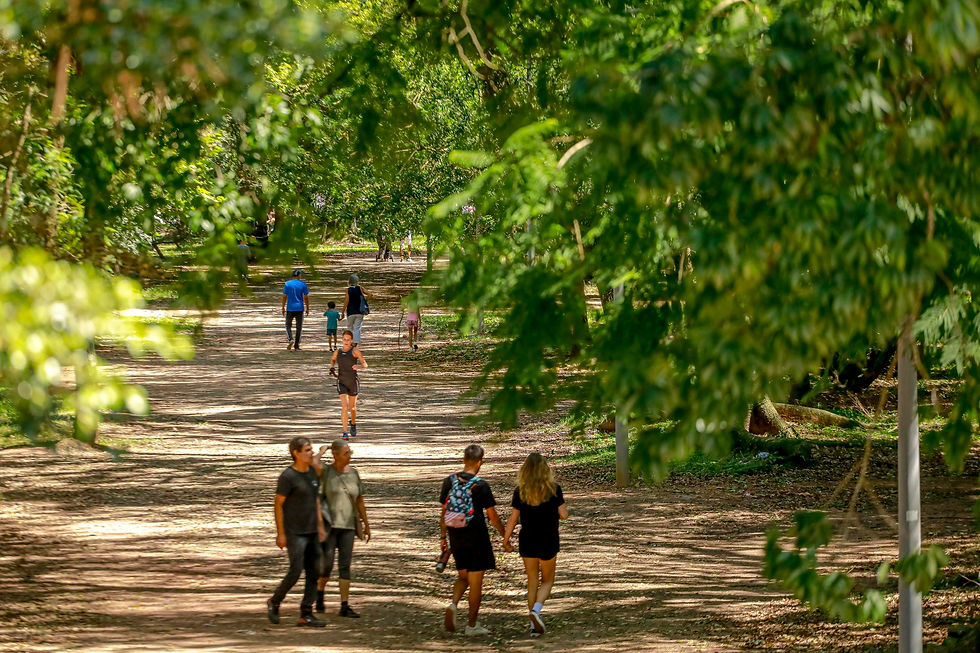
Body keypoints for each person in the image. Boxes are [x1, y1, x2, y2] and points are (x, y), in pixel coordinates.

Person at [439, 444, 508, 636]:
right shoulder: (481, 485)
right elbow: (492, 516)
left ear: (463, 460)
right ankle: (471, 625)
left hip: (455, 535)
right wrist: (505, 536)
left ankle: (453, 605)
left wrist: (443, 537)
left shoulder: (449, 481)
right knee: (476, 582)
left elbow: (444, 511)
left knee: (463, 577)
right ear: (480, 463)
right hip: (477, 537)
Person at [503, 453, 569, 637]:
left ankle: (534, 626)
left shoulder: (520, 491)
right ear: (545, 469)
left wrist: (506, 539)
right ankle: (536, 611)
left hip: (528, 539)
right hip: (548, 539)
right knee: (547, 580)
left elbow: (513, 518)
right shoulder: (554, 489)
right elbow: (564, 515)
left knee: (532, 581)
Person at [268, 437, 328, 628]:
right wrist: (281, 533)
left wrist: (320, 525)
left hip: (312, 530)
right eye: (308, 450)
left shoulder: (312, 472)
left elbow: (316, 501)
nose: (311, 452)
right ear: (296, 453)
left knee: (314, 572)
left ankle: (306, 613)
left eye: (311, 449)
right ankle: (275, 601)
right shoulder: (287, 477)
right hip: (295, 532)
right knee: (295, 570)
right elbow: (278, 504)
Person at [312, 439, 371, 618]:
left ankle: (344, 605)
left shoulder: (354, 473)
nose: (349, 456)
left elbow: (359, 500)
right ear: (335, 455)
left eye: (350, 452)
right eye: (346, 453)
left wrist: (366, 524)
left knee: (345, 565)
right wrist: (323, 450)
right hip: (329, 526)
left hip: (348, 526)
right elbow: (313, 463)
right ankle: (320, 594)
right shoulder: (326, 472)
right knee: (326, 567)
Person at [329, 330, 367, 440]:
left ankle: (353, 423)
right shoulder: (337, 352)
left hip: (353, 382)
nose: (346, 342)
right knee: (345, 407)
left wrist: (358, 367)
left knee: (353, 408)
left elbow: (365, 364)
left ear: (351, 341)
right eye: (344, 339)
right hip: (341, 382)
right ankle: (345, 432)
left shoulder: (355, 351)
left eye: (348, 340)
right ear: (342, 340)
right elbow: (332, 360)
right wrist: (332, 367)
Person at [341, 274, 373, 347]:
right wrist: (364, 301)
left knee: (349, 327)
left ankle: (350, 341)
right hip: (359, 311)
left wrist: (343, 311)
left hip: (350, 312)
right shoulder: (360, 288)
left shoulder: (348, 290)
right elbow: (370, 294)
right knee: (357, 327)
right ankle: (355, 342)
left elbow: (346, 301)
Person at [281, 269, 309, 350]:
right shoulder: (303, 284)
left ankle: (290, 339)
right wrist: (307, 307)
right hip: (300, 308)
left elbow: (284, 296)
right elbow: (306, 297)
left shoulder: (287, 284)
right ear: (299, 275)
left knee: (287, 325)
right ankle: (296, 345)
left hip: (290, 308)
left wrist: (283, 307)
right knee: (299, 327)